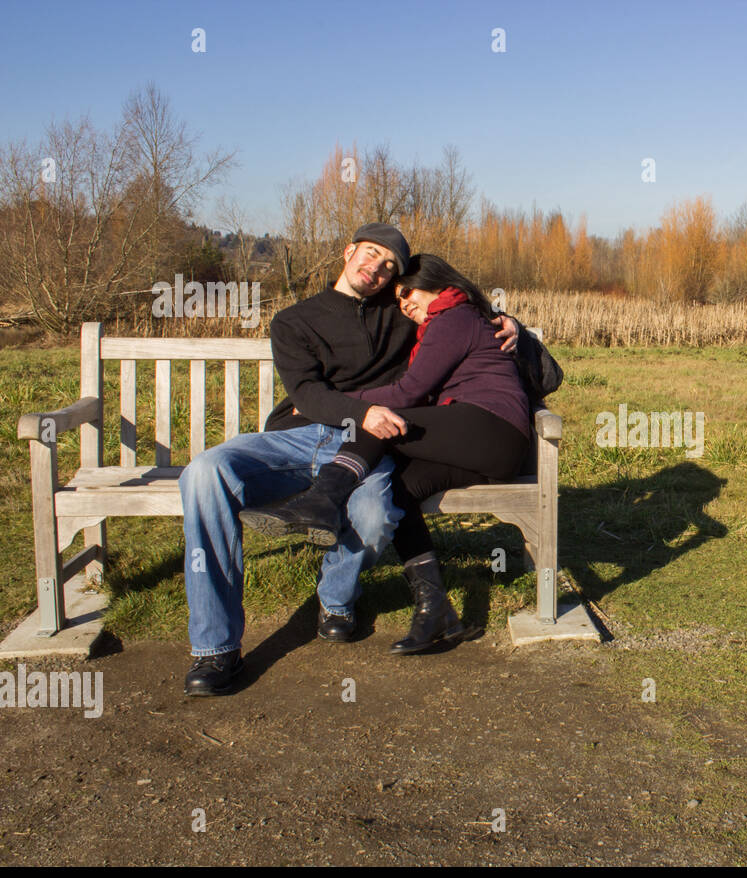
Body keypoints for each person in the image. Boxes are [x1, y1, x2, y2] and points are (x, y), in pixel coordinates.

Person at [178, 224, 520, 697]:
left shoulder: (403, 313)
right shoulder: (293, 321)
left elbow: (459, 316)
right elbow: (308, 395)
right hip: (302, 437)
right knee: (204, 472)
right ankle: (215, 648)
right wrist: (363, 411)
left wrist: (512, 324)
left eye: (389, 266)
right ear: (348, 252)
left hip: (371, 441)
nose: (377, 269)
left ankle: (336, 602)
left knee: (377, 515)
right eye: (372, 254)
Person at [240, 254, 533, 655]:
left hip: (492, 428)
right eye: (398, 299)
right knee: (399, 490)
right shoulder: (438, 324)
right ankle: (436, 611)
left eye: (408, 292)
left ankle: (323, 499)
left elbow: (407, 393)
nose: (405, 304)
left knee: (382, 421)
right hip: (475, 442)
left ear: (437, 284)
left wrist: (324, 404)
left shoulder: (455, 318)